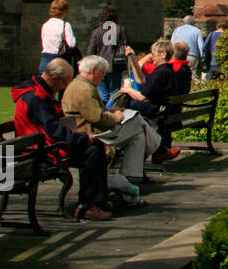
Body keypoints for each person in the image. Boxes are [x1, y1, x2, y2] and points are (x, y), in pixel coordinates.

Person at [12, 58, 112, 220]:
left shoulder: (40, 93)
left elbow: (53, 126)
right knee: (92, 151)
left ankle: (96, 201)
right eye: (65, 82)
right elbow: (53, 129)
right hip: (39, 152)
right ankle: (88, 205)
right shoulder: (36, 97)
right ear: (54, 79)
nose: (65, 87)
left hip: (43, 145)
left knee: (96, 147)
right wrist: (81, 138)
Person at [63, 55, 160, 194]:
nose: (103, 78)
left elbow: (93, 112)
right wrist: (116, 116)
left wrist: (111, 111)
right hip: (93, 133)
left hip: (92, 129)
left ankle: (130, 177)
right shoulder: (83, 89)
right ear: (92, 70)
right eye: (102, 73)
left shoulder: (82, 85)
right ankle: (152, 150)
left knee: (138, 134)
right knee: (138, 122)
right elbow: (97, 117)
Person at [120, 41, 184, 163]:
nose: (151, 56)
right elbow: (141, 80)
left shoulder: (161, 73)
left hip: (158, 112)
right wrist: (133, 58)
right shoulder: (165, 70)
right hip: (166, 111)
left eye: (153, 53)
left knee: (127, 106)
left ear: (163, 54)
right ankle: (159, 150)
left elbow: (143, 97)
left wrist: (127, 90)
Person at [88, 6, 129, 108]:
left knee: (102, 94)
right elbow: (125, 47)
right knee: (114, 93)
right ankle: (109, 112)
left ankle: (103, 112)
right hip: (115, 66)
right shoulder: (120, 29)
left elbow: (91, 51)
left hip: (99, 66)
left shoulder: (97, 31)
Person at [39, 0, 77, 73]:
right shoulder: (65, 25)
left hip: (45, 58)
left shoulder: (45, 25)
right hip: (59, 60)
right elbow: (71, 44)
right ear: (65, 11)